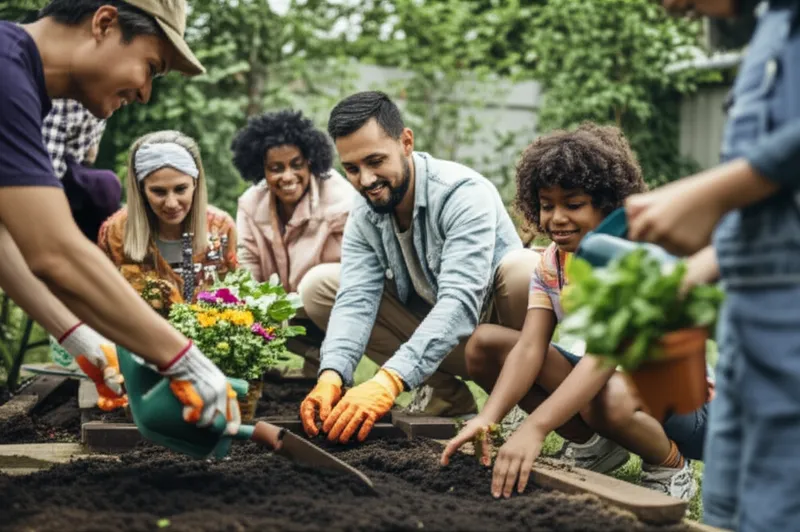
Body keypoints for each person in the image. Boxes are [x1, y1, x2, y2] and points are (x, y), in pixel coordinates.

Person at [0, 0, 241, 435]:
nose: (147, 92)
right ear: (105, 23)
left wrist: (82, 341)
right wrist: (182, 357)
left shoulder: (21, 85)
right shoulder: (4, 71)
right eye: (151, 66)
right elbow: (53, 252)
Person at [441, 123, 709, 501]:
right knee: (485, 345)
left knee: (606, 397)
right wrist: (489, 418)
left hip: (688, 406)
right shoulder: (553, 261)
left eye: (573, 204)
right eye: (547, 205)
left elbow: (600, 361)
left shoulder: (628, 260)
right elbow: (530, 348)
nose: (556, 218)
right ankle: (594, 445)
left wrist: (534, 428)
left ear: (607, 204)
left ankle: (671, 465)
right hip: (619, 391)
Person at [626, 0, 800, 529]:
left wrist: (713, 194)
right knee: (732, 509)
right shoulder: (772, 25)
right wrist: (696, 270)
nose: (670, 8)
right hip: (750, 335)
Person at [298, 91, 538, 443]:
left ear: (406, 142)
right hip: (444, 341)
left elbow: (459, 303)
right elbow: (356, 298)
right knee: (320, 288)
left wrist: (389, 379)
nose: (365, 180)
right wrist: (331, 374)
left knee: (524, 270)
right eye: (352, 168)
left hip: (497, 339)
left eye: (375, 161)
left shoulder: (462, 193)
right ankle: (444, 394)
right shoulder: (366, 210)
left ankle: (519, 395)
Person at [232, 110, 354, 370]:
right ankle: (310, 362)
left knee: (314, 285)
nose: (287, 177)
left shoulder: (341, 200)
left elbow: (356, 270)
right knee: (243, 299)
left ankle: (334, 359)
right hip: (286, 306)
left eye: (296, 165)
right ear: (261, 170)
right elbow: (247, 262)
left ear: (311, 162)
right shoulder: (251, 204)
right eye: (276, 169)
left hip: (336, 304)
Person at [98, 130, 238, 316]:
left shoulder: (219, 228)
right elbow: (103, 302)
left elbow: (236, 298)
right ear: (141, 189)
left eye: (180, 189)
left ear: (195, 183)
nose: (171, 203)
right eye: (159, 192)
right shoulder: (116, 232)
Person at [42, 98, 122, 242]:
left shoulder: (103, 102)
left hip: (72, 169)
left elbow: (91, 155)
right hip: (46, 177)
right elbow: (48, 172)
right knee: (106, 185)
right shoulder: (65, 102)